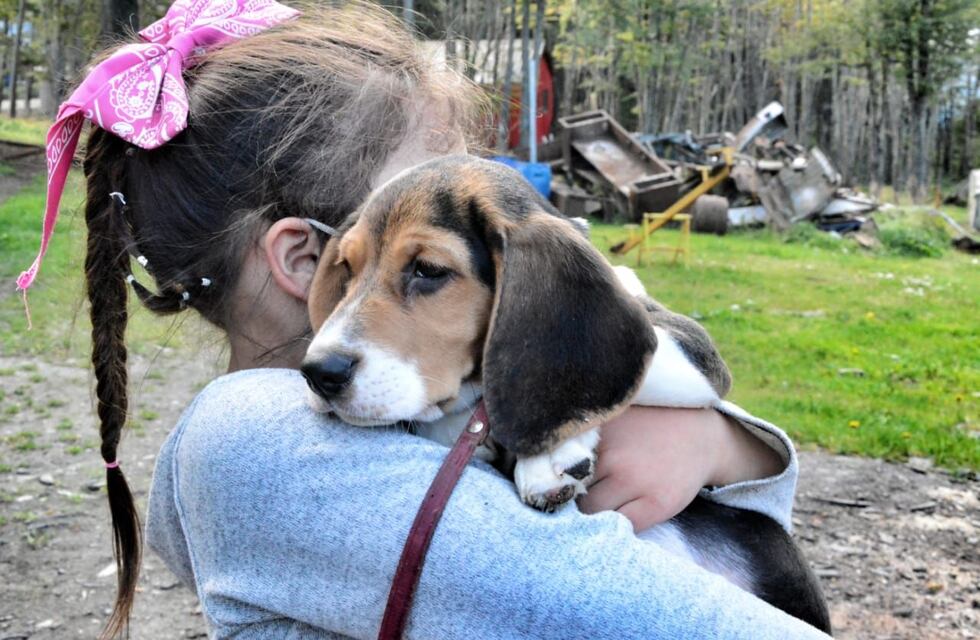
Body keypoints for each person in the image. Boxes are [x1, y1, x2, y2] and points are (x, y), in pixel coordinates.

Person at [21, 1, 829, 638]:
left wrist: (714, 440)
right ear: (308, 262)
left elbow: (753, 525)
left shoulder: (382, 411)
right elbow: (618, 610)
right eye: (418, 255)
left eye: (425, 269)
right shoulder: (256, 448)